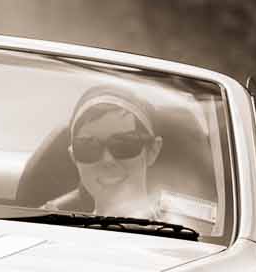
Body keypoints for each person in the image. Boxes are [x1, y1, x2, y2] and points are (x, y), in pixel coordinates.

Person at [46, 86, 215, 230]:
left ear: (152, 151)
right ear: (74, 157)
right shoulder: (49, 224)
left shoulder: (191, 225)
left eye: (124, 144)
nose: (107, 160)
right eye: (88, 147)